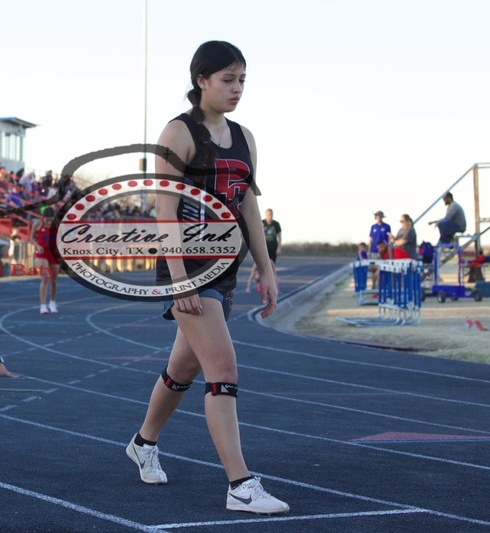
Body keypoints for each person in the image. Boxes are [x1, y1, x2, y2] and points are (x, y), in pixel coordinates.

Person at [126, 41, 289, 515]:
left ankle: (143, 442)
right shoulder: (178, 133)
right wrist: (179, 280)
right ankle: (240, 485)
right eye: (227, 79)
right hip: (186, 267)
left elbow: (249, 205)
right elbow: (164, 210)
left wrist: (266, 265)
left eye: (242, 80)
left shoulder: (245, 138)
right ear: (202, 80)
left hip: (224, 269)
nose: (237, 88)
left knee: (185, 368)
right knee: (223, 369)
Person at [29, 208, 60, 314]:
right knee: (45, 277)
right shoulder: (37, 224)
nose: (49, 222)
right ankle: (42, 305)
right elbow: (31, 237)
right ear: (43, 218)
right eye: (47, 220)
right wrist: (37, 245)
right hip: (41, 253)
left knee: (54, 281)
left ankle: (52, 302)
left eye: (51, 220)